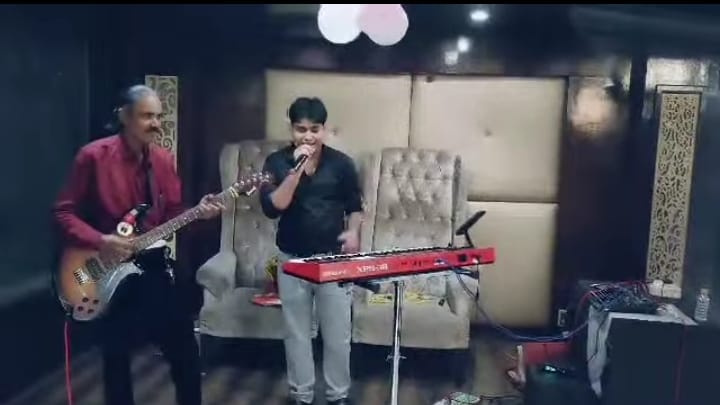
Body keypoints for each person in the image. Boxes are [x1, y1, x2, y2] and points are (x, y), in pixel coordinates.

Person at [52, 85, 224, 405]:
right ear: (124, 116)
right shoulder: (93, 157)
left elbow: (173, 214)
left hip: (153, 266)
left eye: (158, 116)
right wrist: (100, 240)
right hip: (105, 270)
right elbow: (63, 212)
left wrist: (200, 213)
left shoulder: (163, 161)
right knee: (116, 359)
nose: (156, 124)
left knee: (186, 352)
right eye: (147, 116)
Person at [260, 97, 363, 405]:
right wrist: (296, 170)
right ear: (291, 129)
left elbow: (355, 207)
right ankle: (301, 395)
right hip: (292, 258)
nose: (308, 136)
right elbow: (274, 207)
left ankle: (337, 396)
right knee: (297, 333)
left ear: (324, 129)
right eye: (301, 129)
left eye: (314, 129)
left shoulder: (342, 164)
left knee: (337, 335)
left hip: (333, 260)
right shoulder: (276, 162)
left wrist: (353, 232)